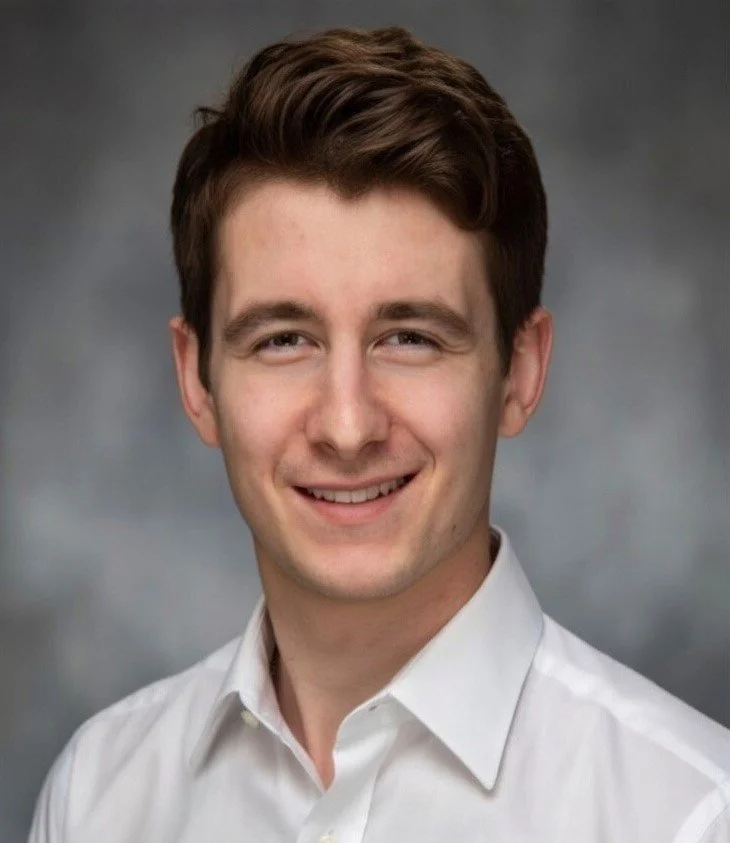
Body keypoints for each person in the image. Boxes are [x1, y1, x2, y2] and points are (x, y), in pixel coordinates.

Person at [29, 25, 729, 843]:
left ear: (520, 370)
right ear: (197, 379)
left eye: (412, 338)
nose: (349, 425)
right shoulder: (98, 796)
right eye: (284, 339)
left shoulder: (689, 813)